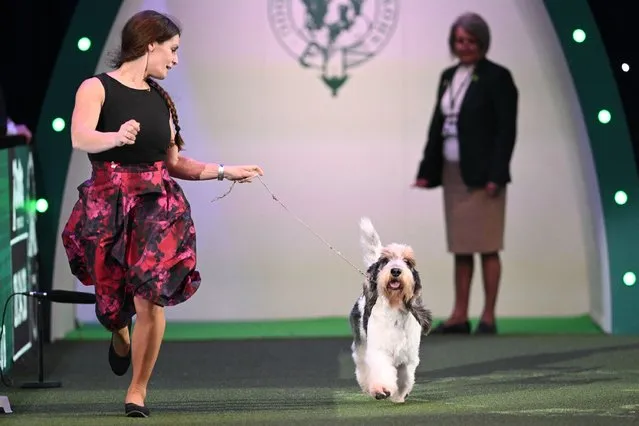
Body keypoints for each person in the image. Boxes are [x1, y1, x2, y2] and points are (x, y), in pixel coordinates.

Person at [61, 10, 264, 417]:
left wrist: (225, 171)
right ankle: (119, 333)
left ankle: (137, 390)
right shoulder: (96, 88)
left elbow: (174, 163)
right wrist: (114, 136)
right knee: (111, 305)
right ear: (149, 43)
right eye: (171, 50)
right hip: (107, 205)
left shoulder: (161, 101)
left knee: (150, 300)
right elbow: (79, 135)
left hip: (157, 208)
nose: (174, 59)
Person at [413, 12, 518, 335]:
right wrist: (427, 172)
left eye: (471, 40)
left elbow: (506, 131)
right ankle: (459, 315)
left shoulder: (498, 77)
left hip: (484, 176)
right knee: (461, 247)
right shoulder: (448, 76)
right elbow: (436, 126)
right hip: (454, 173)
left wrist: (497, 175)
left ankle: (488, 315)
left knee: (487, 246)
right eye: (459, 41)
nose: (465, 46)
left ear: (483, 43)